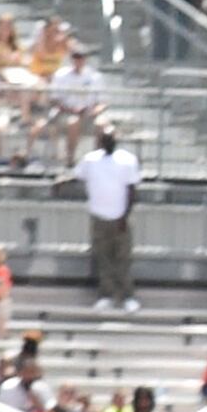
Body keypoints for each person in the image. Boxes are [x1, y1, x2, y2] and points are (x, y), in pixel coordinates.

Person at [77, 125, 143, 309]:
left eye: (111, 138)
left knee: (123, 257)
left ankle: (127, 296)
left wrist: (124, 216)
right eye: (104, 139)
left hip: (120, 217)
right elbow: (79, 176)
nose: (107, 142)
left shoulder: (127, 160)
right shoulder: (90, 159)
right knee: (103, 257)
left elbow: (132, 190)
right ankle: (106, 295)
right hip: (98, 216)